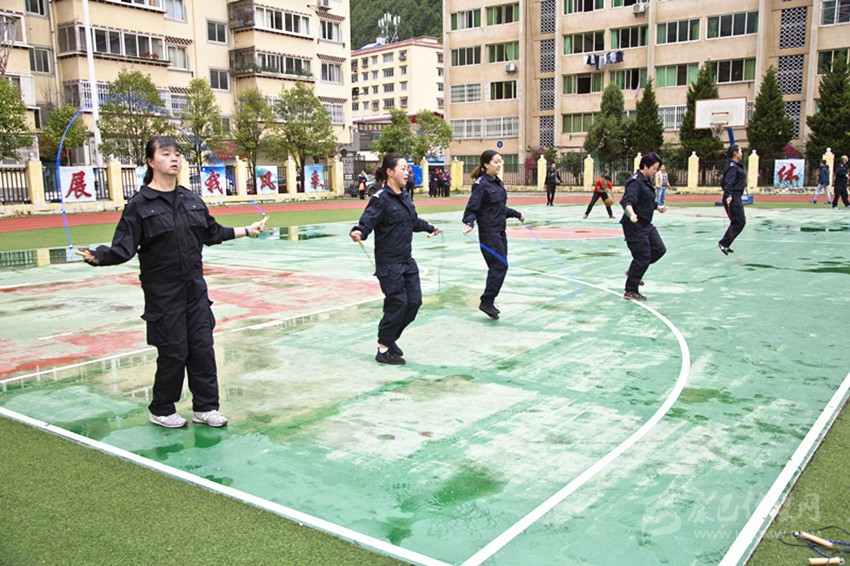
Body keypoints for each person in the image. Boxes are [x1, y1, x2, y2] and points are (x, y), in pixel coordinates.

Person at [76, 136, 268, 428]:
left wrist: (247, 230)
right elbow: (123, 247)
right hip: (163, 294)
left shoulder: (191, 200)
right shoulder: (140, 204)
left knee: (202, 348)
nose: (174, 158)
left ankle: (205, 407)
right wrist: (100, 256)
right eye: (166, 154)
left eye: (177, 154)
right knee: (173, 351)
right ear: (151, 161)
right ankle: (162, 409)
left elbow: (212, 233)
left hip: (195, 290)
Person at [350, 153, 441, 365]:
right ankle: (383, 349)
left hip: (406, 260)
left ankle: (389, 340)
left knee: (414, 302)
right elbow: (367, 221)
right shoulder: (380, 199)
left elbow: (413, 221)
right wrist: (358, 232)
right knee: (397, 304)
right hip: (389, 264)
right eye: (403, 168)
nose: (407, 172)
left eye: (407, 168)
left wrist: (429, 227)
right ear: (390, 172)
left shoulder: (405, 196)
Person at [462, 150, 525, 319]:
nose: (499, 165)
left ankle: (488, 300)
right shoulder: (481, 184)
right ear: (486, 164)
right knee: (499, 265)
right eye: (495, 162)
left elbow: (499, 208)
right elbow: (472, 207)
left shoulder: (498, 183)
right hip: (489, 233)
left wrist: (516, 214)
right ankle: (487, 301)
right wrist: (469, 222)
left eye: (500, 161)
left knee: (500, 266)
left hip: (500, 231)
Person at [620, 152, 668, 301]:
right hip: (634, 225)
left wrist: (657, 207)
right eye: (654, 168)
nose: (655, 171)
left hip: (646, 224)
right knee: (643, 257)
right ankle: (630, 290)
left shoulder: (646, 181)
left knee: (659, 249)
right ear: (645, 166)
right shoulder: (635, 182)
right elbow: (626, 202)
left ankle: (634, 271)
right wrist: (631, 214)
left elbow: (646, 200)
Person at [718, 144, 747, 255]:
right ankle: (723, 243)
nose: (742, 153)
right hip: (733, 197)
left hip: (736, 196)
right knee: (739, 222)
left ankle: (725, 244)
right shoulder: (733, 166)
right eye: (740, 151)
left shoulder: (735, 165)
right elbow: (728, 182)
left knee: (737, 222)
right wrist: (729, 195)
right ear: (735, 153)